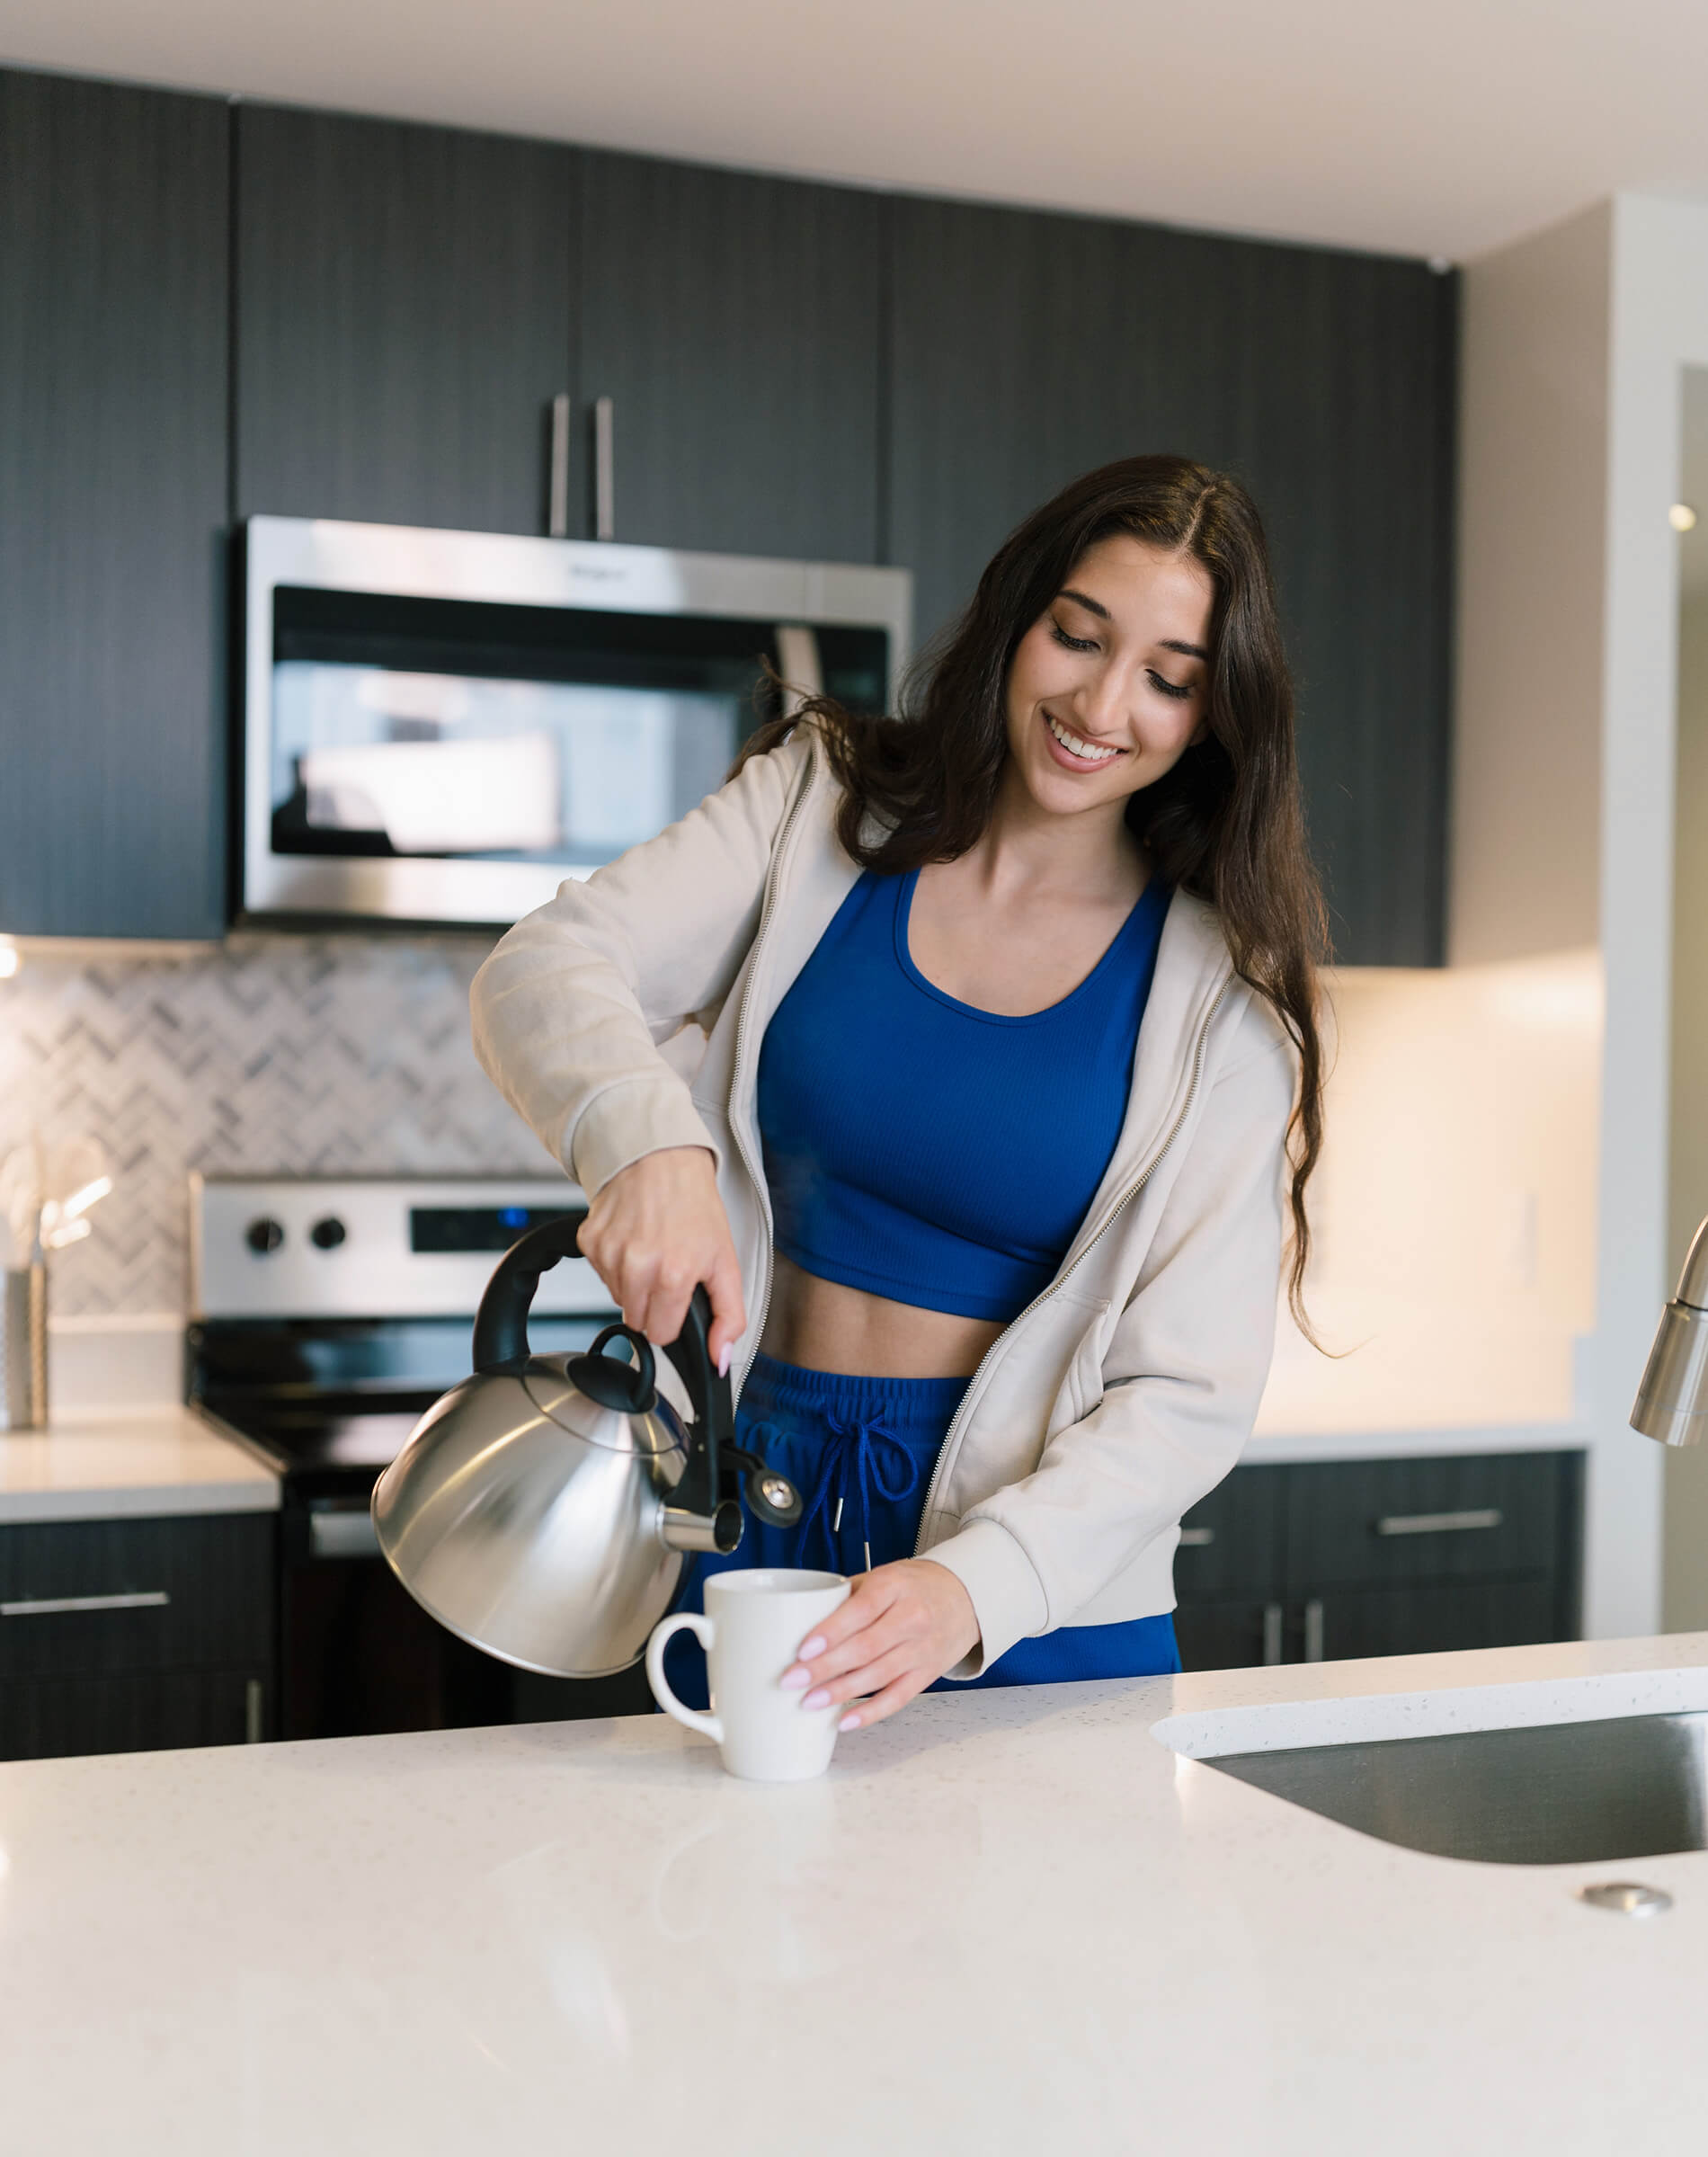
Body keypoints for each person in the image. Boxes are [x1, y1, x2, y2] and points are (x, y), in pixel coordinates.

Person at [470, 453, 1326, 1733]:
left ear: (1212, 715)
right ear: (1017, 616)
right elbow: (548, 965)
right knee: (720, 1918)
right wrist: (649, 1149)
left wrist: (973, 1587)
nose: (1101, 702)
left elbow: (1185, 1394)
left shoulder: (1223, 1007)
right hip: (749, 1495)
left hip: (1026, 1582)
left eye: (1166, 678)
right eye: (1076, 637)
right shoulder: (818, 805)